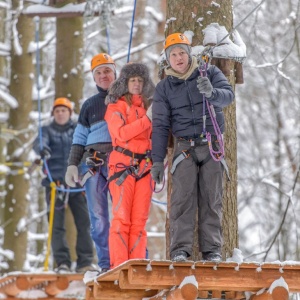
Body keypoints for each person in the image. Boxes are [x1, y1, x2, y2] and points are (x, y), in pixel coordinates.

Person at [151, 33, 235, 262]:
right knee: (182, 200)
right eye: (173, 55)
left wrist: (212, 92)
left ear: (189, 54)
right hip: (184, 148)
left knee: (212, 199)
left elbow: (228, 97)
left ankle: (212, 251)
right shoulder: (164, 88)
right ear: (168, 59)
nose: (178, 58)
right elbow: (159, 126)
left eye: (182, 53)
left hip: (211, 145)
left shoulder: (210, 73)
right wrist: (157, 161)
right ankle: (180, 250)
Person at [65, 53, 116, 274]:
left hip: (119, 162)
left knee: (125, 214)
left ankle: (133, 259)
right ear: (94, 78)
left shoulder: (127, 97)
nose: (103, 76)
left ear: (115, 73)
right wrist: (72, 164)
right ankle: (106, 263)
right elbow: (79, 138)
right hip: (92, 163)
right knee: (98, 218)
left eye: (107, 71)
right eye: (99, 73)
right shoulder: (89, 105)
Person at [33, 97, 95, 273]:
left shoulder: (78, 130)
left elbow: (88, 144)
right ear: (53, 114)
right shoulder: (46, 130)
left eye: (64, 110)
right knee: (56, 225)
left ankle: (84, 262)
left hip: (77, 185)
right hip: (56, 185)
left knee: (84, 223)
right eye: (57, 111)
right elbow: (39, 142)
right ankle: (63, 262)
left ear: (70, 113)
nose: (60, 114)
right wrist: (42, 149)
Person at [104, 62, 155, 269]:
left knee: (139, 223)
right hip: (121, 169)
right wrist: (147, 120)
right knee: (121, 220)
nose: (136, 84)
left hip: (145, 168)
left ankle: (136, 267)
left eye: (140, 80)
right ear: (125, 82)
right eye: (133, 80)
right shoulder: (115, 106)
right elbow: (121, 133)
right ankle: (119, 267)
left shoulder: (148, 107)